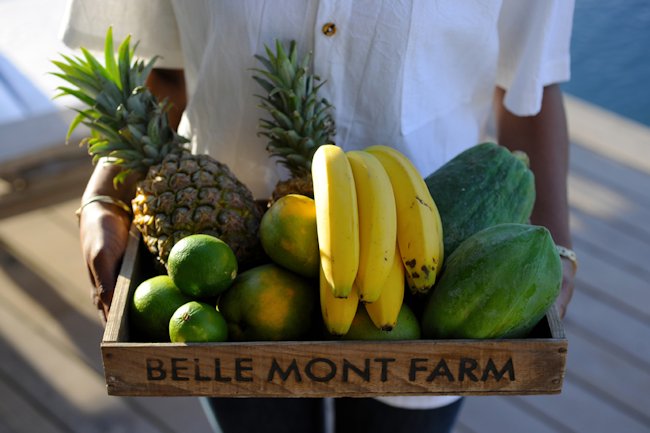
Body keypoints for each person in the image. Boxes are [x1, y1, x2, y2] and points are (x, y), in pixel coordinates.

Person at [61, 1, 577, 432]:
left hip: (429, 266)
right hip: (225, 275)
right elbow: (163, 72)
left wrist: (556, 249)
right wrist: (104, 193)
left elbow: (532, 85)